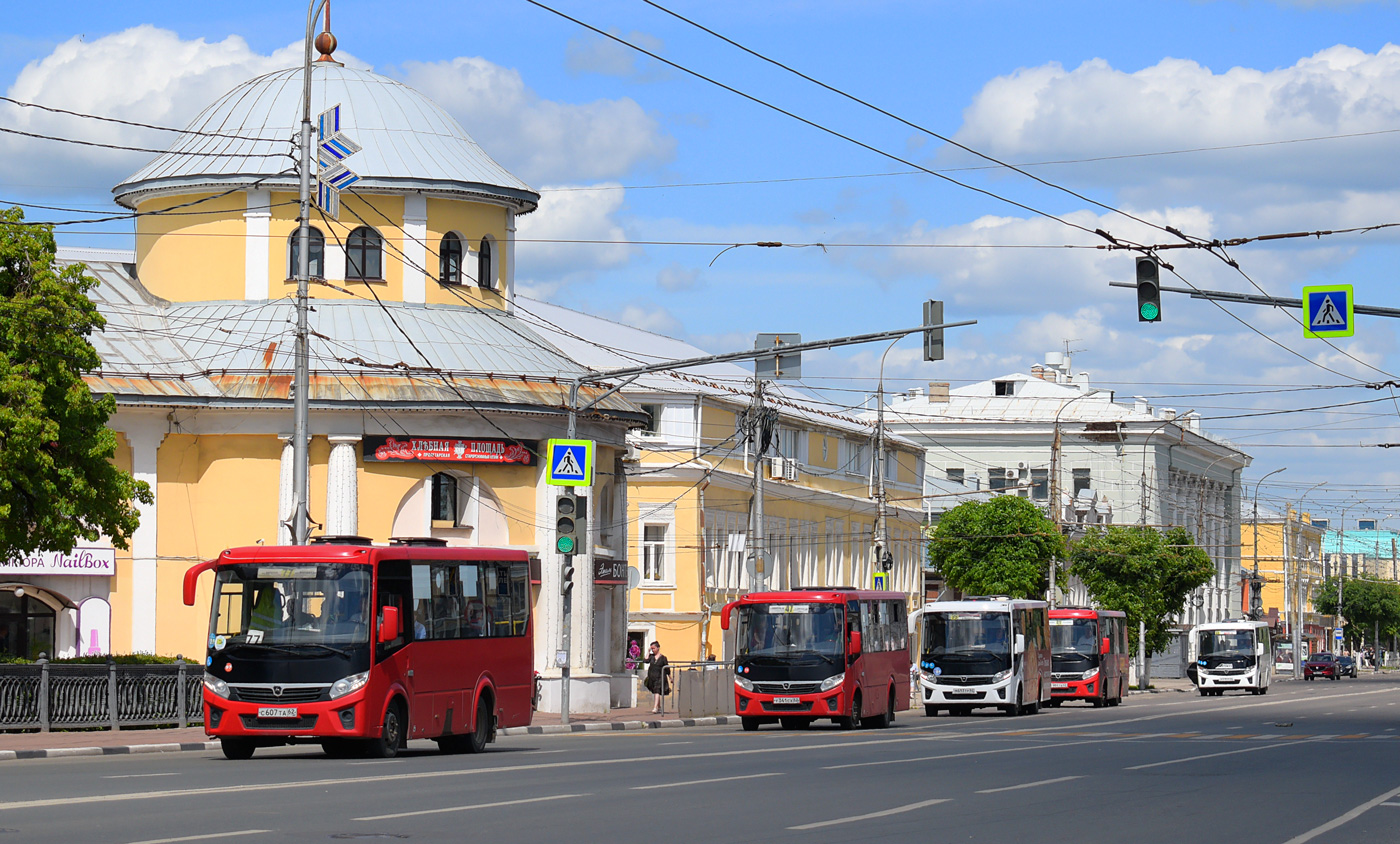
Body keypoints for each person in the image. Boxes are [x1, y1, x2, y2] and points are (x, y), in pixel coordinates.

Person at [643, 641, 670, 714]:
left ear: (658, 648)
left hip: (660, 677)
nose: (653, 650)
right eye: (651, 649)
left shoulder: (663, 658)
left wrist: (670, 678)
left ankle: (655, 708)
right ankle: (659, 707)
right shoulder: (651, 657)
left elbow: (667, 669)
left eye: (654, 648)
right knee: (655, 692)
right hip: (652, 677)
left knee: (657, 691)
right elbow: (645, 661)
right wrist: (648, 652)